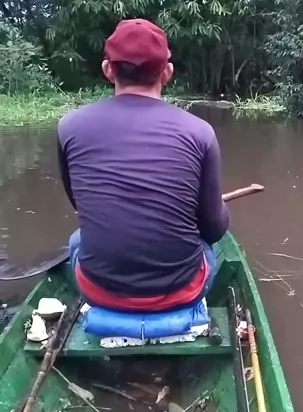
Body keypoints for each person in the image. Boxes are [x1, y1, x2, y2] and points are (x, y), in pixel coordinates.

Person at [57, 18, 229, 312]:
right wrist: (218, 210)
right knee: (207, 247)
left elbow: (79, 204)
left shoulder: (68, 127)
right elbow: (213, 230)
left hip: (97, 290)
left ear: (108, 69)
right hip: (182, 291)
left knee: (76, 240)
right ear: (167, 72)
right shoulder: (200, 133)